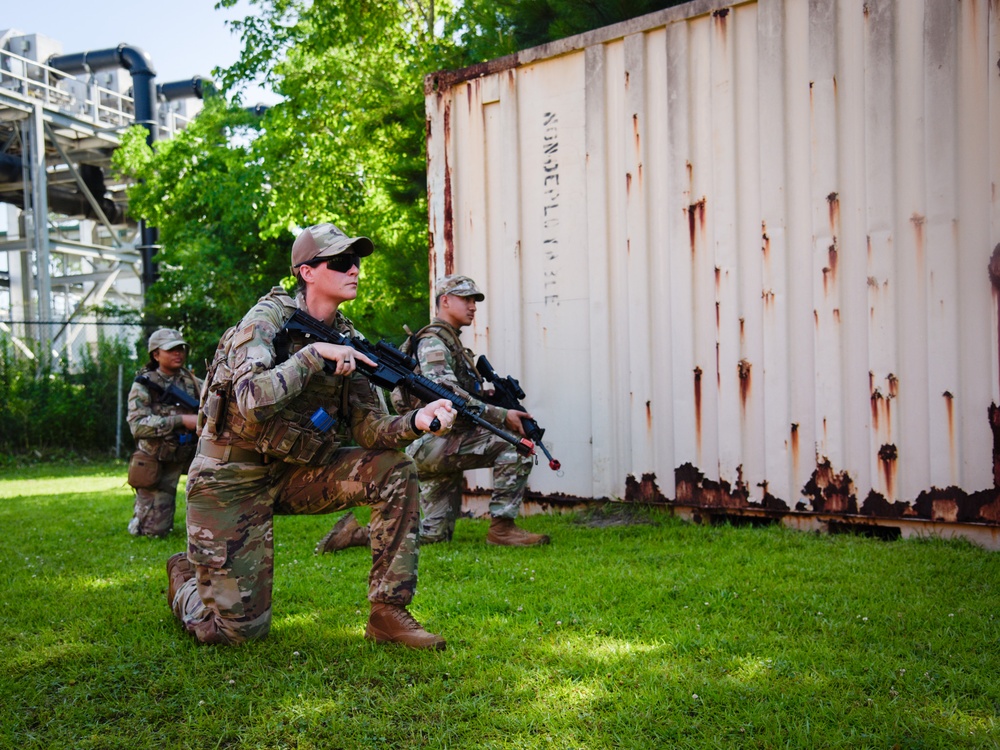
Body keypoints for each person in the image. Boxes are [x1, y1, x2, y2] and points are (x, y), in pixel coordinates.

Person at [165, 223, 456, 650]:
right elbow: (250, 400)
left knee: (394, 469)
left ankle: (387, 612)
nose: (354, 269)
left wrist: (416, 422)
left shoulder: (347, 338)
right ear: (306, 272)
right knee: (235, 634)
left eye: (356, 262)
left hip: (295, 472)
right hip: (229, 478)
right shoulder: (265, 321)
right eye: (340, 262)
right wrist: (312, 356)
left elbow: (369, 428)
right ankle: (186, 579)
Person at [316, 274, 549, 553]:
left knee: (434, 533)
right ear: (445, 301)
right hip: (434, 442)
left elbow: (459, 393)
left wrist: (490, 398)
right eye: (465, 299)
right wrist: (502, 416)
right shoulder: (434, 343)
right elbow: (444, 393)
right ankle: (502, 529)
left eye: (475, 300)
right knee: (516, 449)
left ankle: (354, 534)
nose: (472, 305)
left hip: (440, 441)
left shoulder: (450, 342)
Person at [126, 328, 201, 538]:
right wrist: (181, 420)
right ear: (156, 355)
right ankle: (142, 515)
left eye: (181, 349)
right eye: (171, 350)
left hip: (187, 453)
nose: (178, 353)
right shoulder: (144, 385)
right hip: (157, 458)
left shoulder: (191, 381)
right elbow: (137, 425)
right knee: (154, 531)